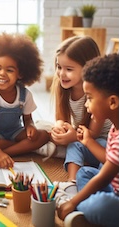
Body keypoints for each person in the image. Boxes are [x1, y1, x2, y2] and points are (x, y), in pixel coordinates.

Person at [57, 53, 119, 227]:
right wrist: (88, 141)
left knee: (99, 206)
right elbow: (107, 164)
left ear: (112, 102)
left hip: (113, 195)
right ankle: (84, 207)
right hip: (114, 188)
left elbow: (103, 179)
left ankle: (82, 210)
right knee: (84, 173)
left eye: (90, 98)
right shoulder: (115, 126)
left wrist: (72, 202)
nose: (86, 104)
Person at [0, 32, 51, 169]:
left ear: (21, 74)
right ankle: (21, 149)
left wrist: (31, 127)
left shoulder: (25, 95)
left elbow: (28, 119)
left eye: (9, 70)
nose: (2, 74)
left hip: (16, 132)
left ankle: (5, 153)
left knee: (44, 135)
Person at [50, 36, 112, 192]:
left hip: (104, 142)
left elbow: (94, 133)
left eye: (69, 69)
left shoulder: (94, 93)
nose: (61, 74)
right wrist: (59, 127)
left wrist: (72, 136)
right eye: (59, 67)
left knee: (77, 144)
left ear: (87, 69)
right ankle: (72, 182)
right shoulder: (62, 86)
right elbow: (61, 119)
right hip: (85, 138)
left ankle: (100, 180)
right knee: (72, 145)